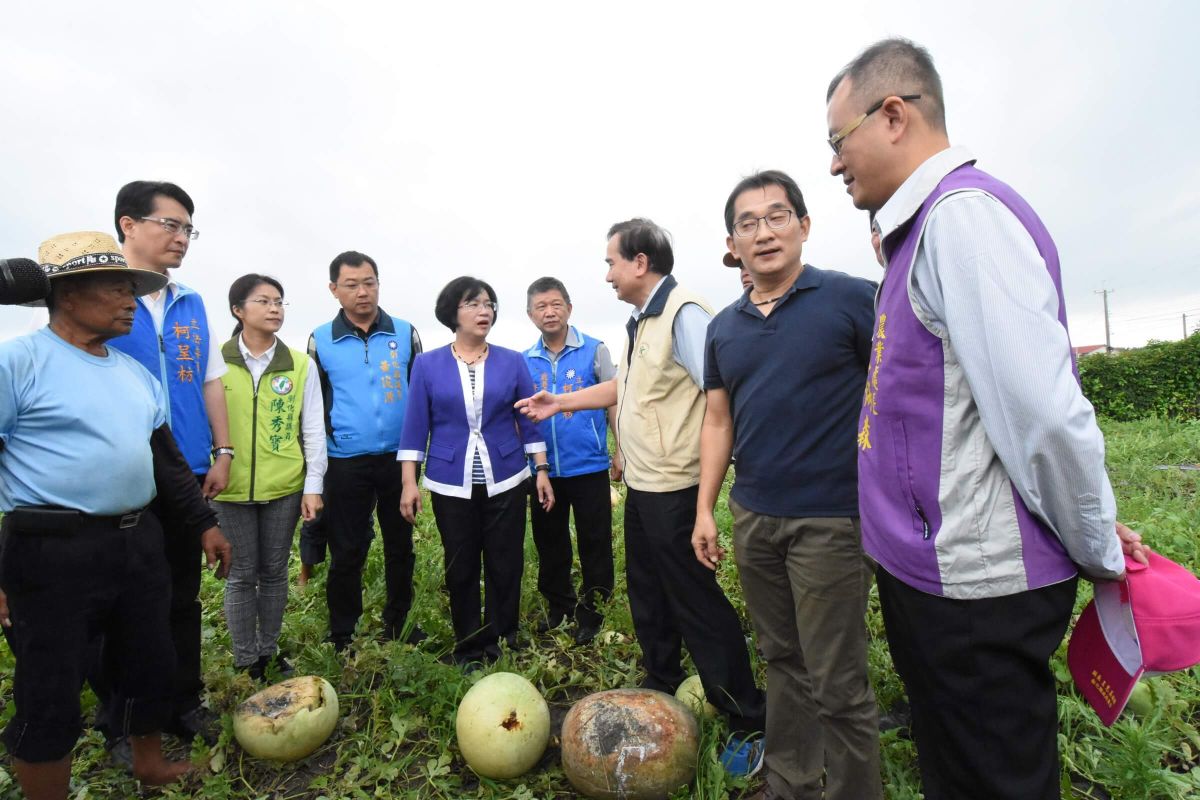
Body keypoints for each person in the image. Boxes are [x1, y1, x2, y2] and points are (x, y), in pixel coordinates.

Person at [825, 38, 1149, 799]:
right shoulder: (919, 235)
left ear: (894, 115)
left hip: (975, 592)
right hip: (936, 579)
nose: (835, 164)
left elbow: (1043, 416)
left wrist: (1097, 539)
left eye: (838, 142)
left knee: (994, 779)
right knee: (958, 769)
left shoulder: (964, 223)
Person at [517, 219, 767, 774]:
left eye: (611, 262)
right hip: (644, 485)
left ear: (639, 262)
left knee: (696, 602)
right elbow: (626, 388)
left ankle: (748, 720)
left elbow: (721, 399)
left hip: (677, 488)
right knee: (648, 594)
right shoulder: (641, 319)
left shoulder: (683, 313)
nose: (606, 274)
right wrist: (561, 403)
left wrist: (706, 504)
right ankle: (661, 682)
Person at [0, 231, 230, 800]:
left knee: (148, 657)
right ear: (67, 295)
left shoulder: (135, 376)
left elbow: (168, 462)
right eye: (116, 288)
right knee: (49, 681)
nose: (131, 300)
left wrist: (203, 522)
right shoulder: (20, 360)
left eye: (132, 289)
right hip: (50, 548)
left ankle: (149, 763)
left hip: (136, 539)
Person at [692, 171, 881, 800]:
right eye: (749, 223)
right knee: (782, 661)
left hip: (832, 519)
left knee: (837, 677)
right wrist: (706, 510)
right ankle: (792, 781)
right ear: (732, 243)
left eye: (777, 216)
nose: (764, 232)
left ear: (804, 225)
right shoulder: (725, 328)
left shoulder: (853, 299)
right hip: (756, 516)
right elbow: (718, 421)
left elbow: (896, 396)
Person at [99, 180, 232, 748]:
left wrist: (222, 452)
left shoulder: (191, 302)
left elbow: (209, 381)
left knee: (182, 592)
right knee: (121, 598)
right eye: (170, 225)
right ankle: (121, 720)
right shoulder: (96, 298)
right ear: (128, 225)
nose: (182, 238)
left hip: (188, 471)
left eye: (188, 229)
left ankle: (183, 700)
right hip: (119, 474)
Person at [399, 276, 553, 667]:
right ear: (453, 312)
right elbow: (415, 425)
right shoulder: (427, 364)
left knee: (506, 560)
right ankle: (469, 644)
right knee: (461, 563)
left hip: (506, 474)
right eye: (473, 304)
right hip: (451, 480)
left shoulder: (511, 360)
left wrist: (541, 469)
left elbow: (529, 418)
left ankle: (503, 637)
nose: (484, 311)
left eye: (488, 304)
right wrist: (408, 483)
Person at [212, 274, 327, 679]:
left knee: (275, 571)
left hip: (284, 486)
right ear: (237, 310)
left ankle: (269, 651)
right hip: (228, 488)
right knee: (242, 573)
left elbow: (313, 430)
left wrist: (313, 486)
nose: (275, 308)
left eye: (279, 301)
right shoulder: (214, 360)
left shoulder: (299, 364)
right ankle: (246, 661)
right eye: (263, 301)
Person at [308, 251, 423, 651]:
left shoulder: (405, 333)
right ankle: (344, 632)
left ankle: (399, 622)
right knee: (347, 548)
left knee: (400, 545)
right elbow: (315, 405)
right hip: (345, 460)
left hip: (399, 459)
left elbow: (420, 395)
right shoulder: (320, 340)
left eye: (369, 282)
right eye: (352, 284)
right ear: (334, 289)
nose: (362, 292)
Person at [522, 277, 618, 645]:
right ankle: (559, 607)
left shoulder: (595, 350)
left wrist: (619, 449)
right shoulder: (525, 360)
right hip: (545, 471)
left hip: (590, 465)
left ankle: (594, 611)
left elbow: (613, 401)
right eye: (541, 306)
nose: (550, 312)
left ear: (569, 308)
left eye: (556, 304)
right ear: (531, 315)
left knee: (595, 540)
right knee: (550, 541)